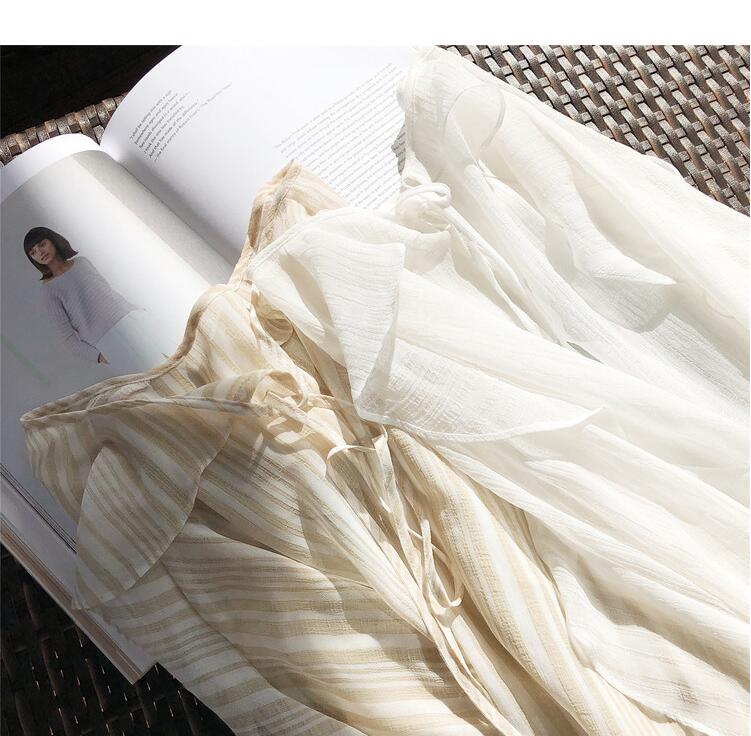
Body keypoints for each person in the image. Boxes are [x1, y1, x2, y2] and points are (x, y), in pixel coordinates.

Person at [24, 226, 173, 375]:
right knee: (157, 380)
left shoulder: (81, 262)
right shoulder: (49, 290)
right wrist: (100, 356)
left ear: (53, 240)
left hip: (133, 321)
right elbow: (68, 339)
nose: (40, 252)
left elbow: (107, 293)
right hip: (108, 341)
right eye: (33, 252)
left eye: (42, 244)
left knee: (177, 367)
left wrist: (140, 313)